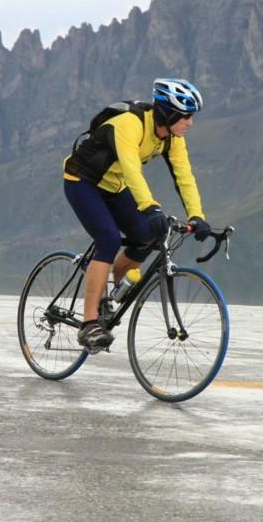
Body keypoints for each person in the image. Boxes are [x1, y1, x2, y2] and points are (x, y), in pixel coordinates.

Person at [62, 78, 212, 351]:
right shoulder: (130, 124)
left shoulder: (173, 139)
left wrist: (196, 216)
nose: (190, 123)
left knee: (146, 237)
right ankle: (89, 323)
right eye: (186, 116)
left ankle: (105, 291)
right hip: (82, 181)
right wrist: (150, 207)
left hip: (114, 186)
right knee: (108, 239)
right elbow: (132, 169)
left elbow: (184, 177)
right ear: (169, 113)